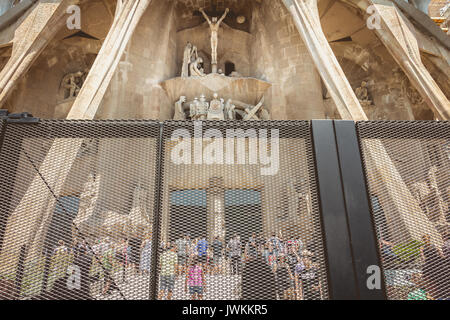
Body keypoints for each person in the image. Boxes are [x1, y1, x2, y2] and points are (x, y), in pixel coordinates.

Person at [420, 234, 447, 299]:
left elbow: (440, 253)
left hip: (435, 262)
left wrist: (444, 258)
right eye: (424, 239)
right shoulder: (422, 248)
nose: (426, 240)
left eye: (427, 238)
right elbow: (422, 256)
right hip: (432, 263)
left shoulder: (433, 245)